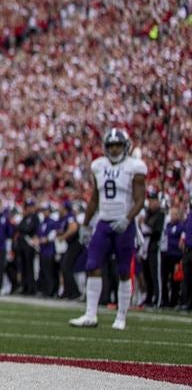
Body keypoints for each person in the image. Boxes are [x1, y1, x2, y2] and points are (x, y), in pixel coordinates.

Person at [69, 128, 147, 331]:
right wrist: (86, 224)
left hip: (124, 224)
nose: (114, 149)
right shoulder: (98, 166)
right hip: (104, 222)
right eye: (110, 145)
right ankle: (90, 315)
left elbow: (140, 199)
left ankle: (121, 317)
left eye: (117, 145)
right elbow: (95, 197)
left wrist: (128, 218)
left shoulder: (135, 167)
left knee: (123, 271)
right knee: (92, 264)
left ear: (125, 146)